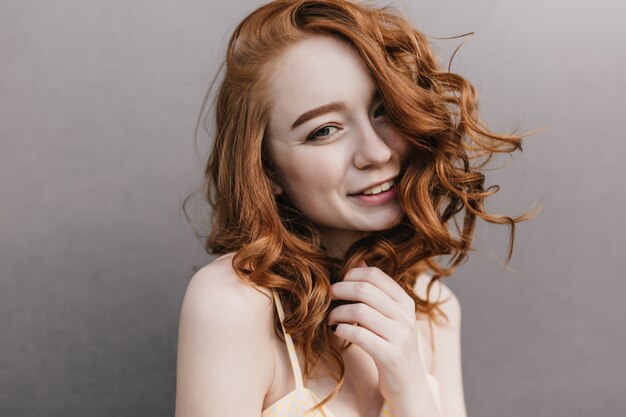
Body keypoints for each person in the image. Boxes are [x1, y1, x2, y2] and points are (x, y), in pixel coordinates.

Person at [176, 1, 532, 416]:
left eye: (382, 110)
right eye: (324, 130)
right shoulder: (231, 303)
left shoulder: (434, 307)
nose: (377, 152)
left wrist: (412, 388)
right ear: (266, 169)